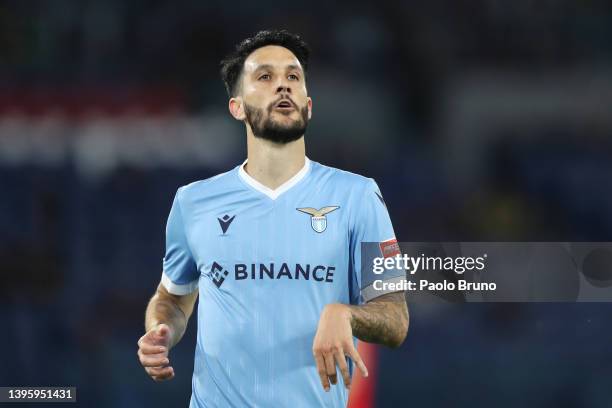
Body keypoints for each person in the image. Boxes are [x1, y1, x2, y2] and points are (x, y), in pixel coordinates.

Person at [137, 29, 409, 407]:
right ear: (237, 107)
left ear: (308, 105)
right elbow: (174, 298)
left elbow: (396, 318)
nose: (283, 86)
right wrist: (161, 329)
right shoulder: (193, 201)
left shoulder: (358, 196)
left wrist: (347, 315)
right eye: (265, 77)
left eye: (293, 77)